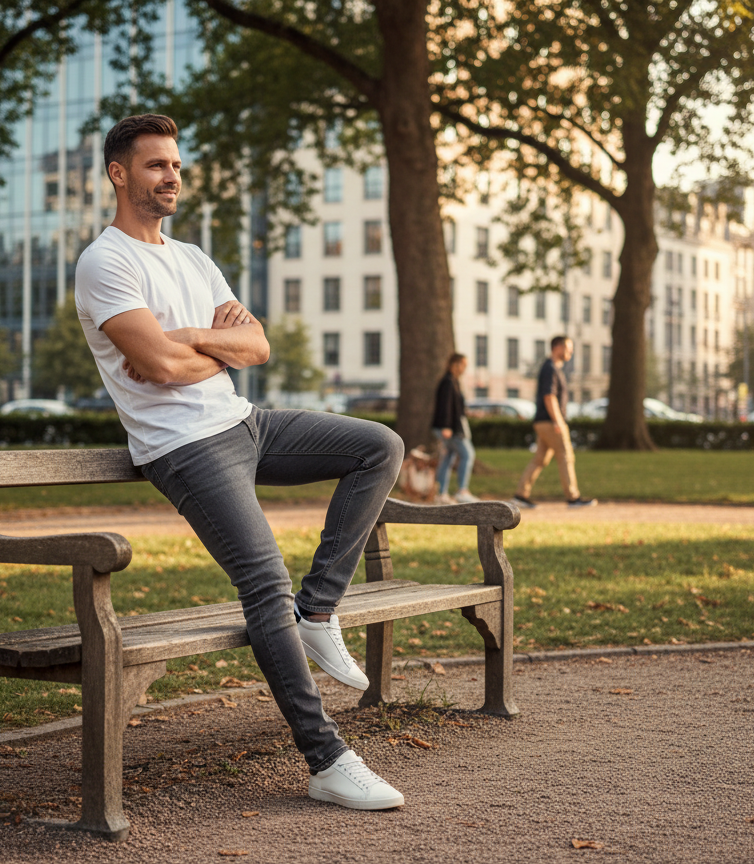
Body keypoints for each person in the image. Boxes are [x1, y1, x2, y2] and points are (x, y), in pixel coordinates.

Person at [74, 113, 406, 811]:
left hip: (244, 421)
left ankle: (319, 612)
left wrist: (189, 338)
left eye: (176, 166)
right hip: (183, 447)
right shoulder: (106, 262)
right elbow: (156, 364)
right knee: (263, 581)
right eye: (156, 165)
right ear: (119, 174)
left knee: (378, 445)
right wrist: (197, 349)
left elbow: (255, 348)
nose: (171, 178)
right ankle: (327, 760)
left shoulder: (194, 257)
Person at [513, 336, 596, 508]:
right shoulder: (550, 368)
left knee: (539, 460)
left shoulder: (552, 368)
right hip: (550, 422)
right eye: (568, 348)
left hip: (543, 421)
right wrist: (558, 421)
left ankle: (520, 495)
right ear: (557, 347)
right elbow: (549, 396)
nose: (570, 352)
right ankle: (573, 498)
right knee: (566, 456)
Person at [431, 353, 478, 504]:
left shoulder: (453, 381)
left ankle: (441, 493)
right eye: (463, 365)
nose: (464, 369)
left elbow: (455, 406)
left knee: (448, 458)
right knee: (468, 454)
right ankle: (462, 491)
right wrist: (446, 426)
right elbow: (444, 406)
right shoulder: (448, 382)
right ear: (454, 364)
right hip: (450, 428)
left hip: (451, 427)